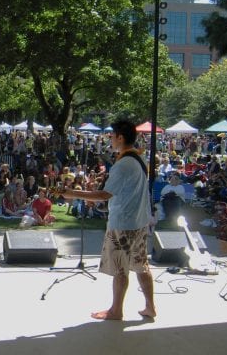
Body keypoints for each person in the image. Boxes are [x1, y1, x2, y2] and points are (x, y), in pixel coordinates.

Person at [58, 119, 156, 320]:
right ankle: (150, 307)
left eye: (112, 135)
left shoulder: (124, 164)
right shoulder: (139, 159)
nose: (110, 139)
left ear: (120, 137)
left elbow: (105, 194)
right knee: (141, 265)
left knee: (121, 268)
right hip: (139, 221)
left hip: (124, 224)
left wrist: (73, 193)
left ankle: (116, 311)